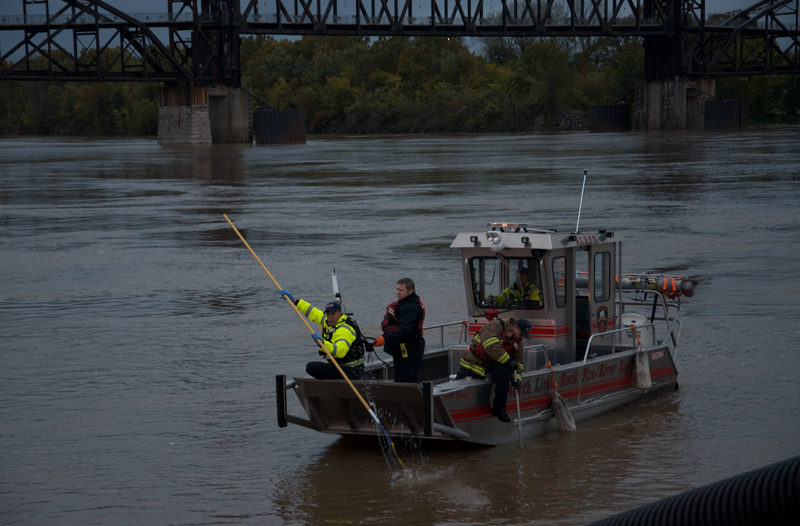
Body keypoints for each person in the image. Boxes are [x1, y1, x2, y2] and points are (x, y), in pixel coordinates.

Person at [455, 318, 531, 422]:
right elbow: (490, 346)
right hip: (473, 364)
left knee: (504, 372)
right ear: (515, 327)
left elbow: (519, 363)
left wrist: (516, 378)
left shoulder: (518, 342)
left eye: (524, 335)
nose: (522, 337)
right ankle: (454, 407)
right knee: (458, 388)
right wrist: (509, 361)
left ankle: (499, 409)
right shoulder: (495, 326)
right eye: (521, 333)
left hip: (490, 367)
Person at [278, 289, 364, 380]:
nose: (330, 317)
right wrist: (295, 301)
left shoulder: (344, 329)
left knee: (311, 367)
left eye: (332, 314)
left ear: (340, 314)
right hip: (340, 366)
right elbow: (312, 312)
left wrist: (323, 343)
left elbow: (340, 351)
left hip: (352, 371)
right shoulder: (328, 321)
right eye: (328, 314)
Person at [372, 278, 425, 383]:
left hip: (411, 348)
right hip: (401, 348)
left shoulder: (412, 308)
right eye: (397, 289)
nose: (398, 292)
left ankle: (411, 398)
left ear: (410, 291)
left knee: (408, 378)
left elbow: (404, 330)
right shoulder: (402, 305)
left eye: (401, 290)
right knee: (400, 377)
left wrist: (385, 339)